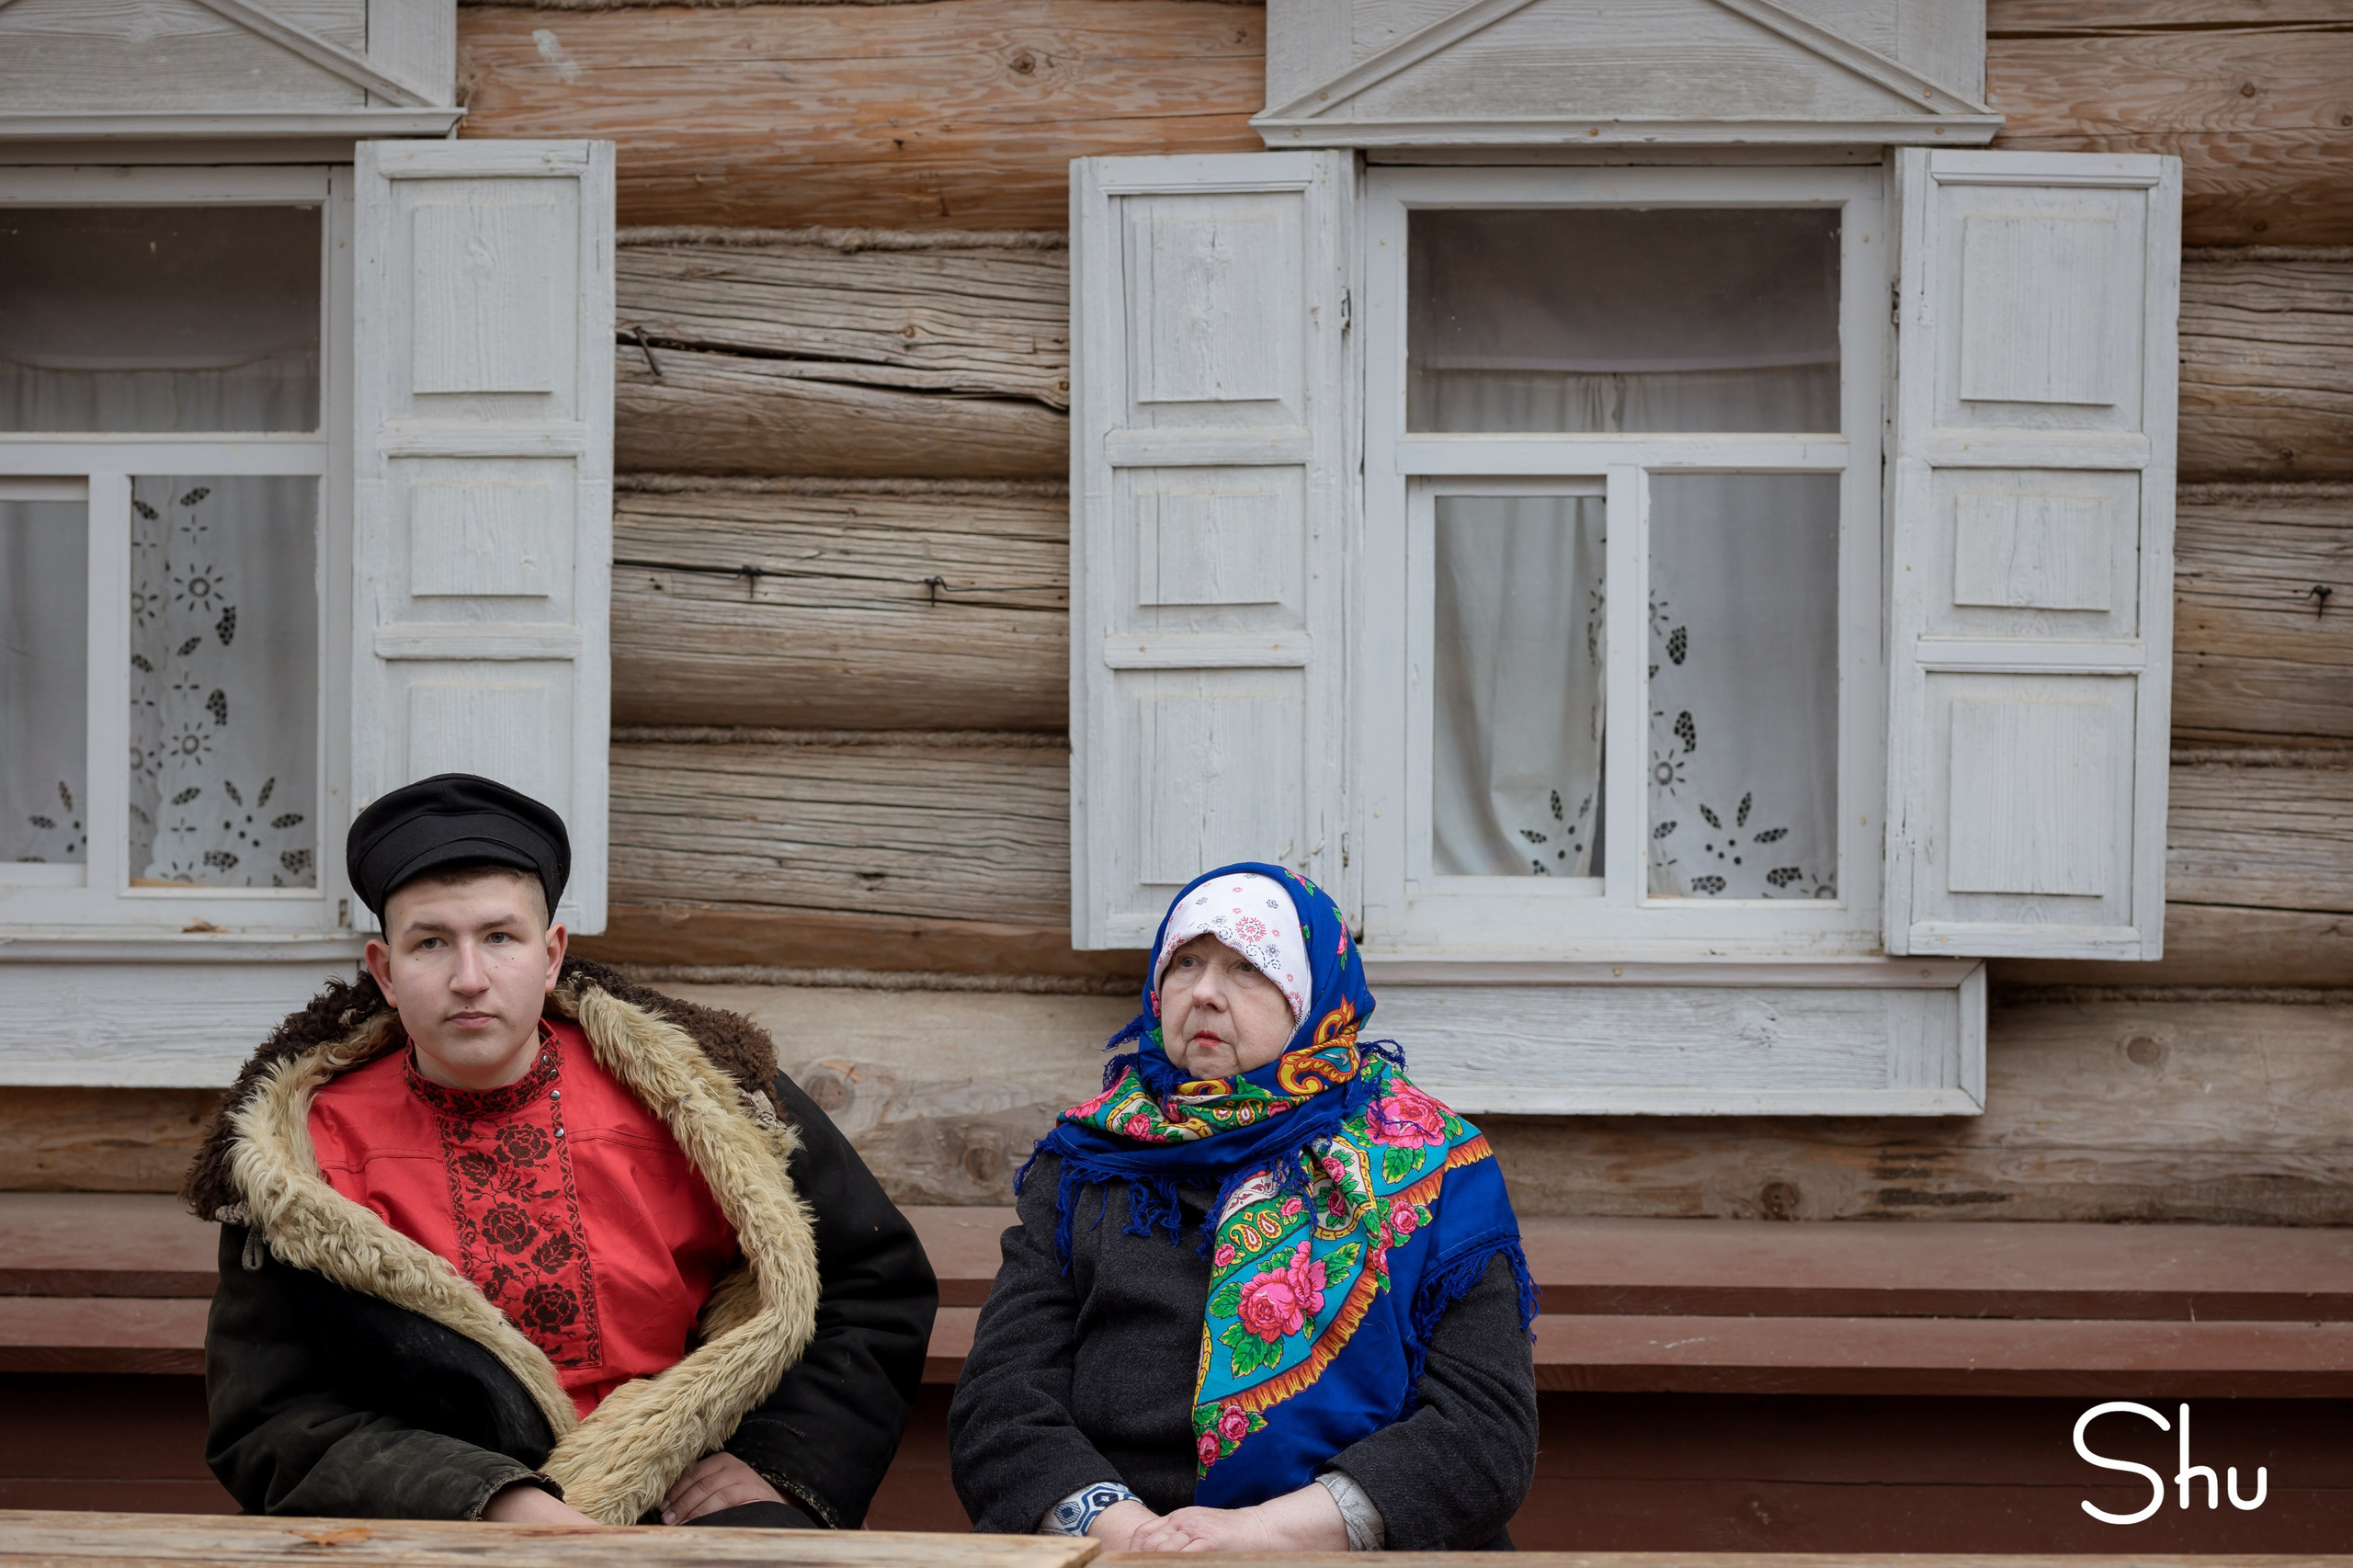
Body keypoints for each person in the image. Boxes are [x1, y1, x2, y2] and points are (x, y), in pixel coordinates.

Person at [183, 774, 937, 1527]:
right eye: (432, 943)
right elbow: (272, 1417)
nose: (469, 978)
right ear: (384, 971)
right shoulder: (303, 1157)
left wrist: (778, 1462)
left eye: (500, 938)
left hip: (676, 1504)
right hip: (442, 1523)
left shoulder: (704, 1101)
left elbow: (870, 1286)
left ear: (551, 955)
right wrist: (494, 1503)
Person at [949, 862, 1539, 1551]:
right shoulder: (1087, 1159)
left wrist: (1268, 1534)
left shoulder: (1429, 1164)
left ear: (1311, 996)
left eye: (1248, 968)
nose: (1203, 993)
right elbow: (1000, 1405)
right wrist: (1131, 1535)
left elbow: (1484, 1430)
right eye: (1186, 962)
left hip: (1351, 1552)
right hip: (1121, 1545)